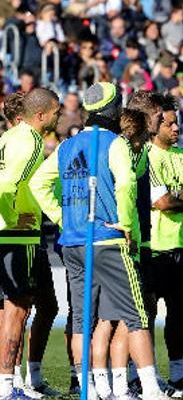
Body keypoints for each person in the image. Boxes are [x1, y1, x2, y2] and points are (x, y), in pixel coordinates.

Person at [29, 83, 171, 400]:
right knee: (136, 315)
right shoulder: (115, 143)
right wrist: (125, 225)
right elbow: (125, 186)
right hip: (109, 240)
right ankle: (150, 388)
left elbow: (39, 183)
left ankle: (89, 389)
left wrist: (64, 217)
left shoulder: (67, 146)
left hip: (74, 243)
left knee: (82, 320)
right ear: (113, 110)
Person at [0, 88, 59, 400]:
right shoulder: (31, 141)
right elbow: (6, 183)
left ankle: (18, 383)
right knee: (17, 309)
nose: (58, 115)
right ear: (41, 115)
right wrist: (12, 218)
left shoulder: (9, 137)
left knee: (19, 309)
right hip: (16, 234)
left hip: (12, 234)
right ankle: (8, 388)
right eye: (55, 111)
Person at [145, 95, 183, 395]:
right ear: (155, 127)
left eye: (177, 122)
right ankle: (148, 376)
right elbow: (162, 202)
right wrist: (182, 196)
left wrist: (177, 198)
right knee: (148, 316)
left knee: (178, 314)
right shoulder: (147, 156)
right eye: (170, 123)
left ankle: (177, 375)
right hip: (154, 248)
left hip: (181, 246)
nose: (177, 128)